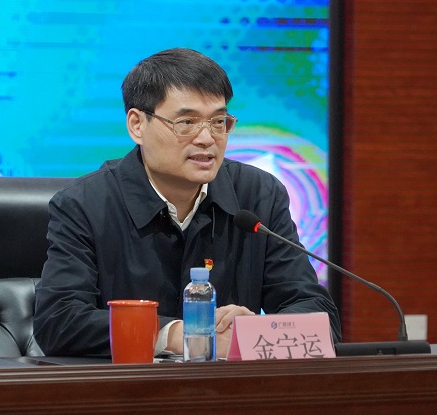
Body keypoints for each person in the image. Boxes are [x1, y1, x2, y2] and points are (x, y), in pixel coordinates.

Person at [33, 47, 341, 358]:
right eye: (187, 122)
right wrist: (177, 334)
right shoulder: (86, 204)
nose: (207, 138)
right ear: (137, 125)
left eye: (218, 122)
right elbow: (58, 320)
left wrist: (259, 331)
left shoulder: (259, 195)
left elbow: (317, 314)